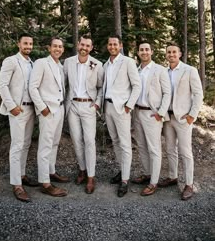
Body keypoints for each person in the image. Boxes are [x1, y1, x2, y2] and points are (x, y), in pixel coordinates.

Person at [159, 43, 203, 200]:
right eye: (168, 52)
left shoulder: (189, 70)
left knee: (185, 152)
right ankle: (173, 177)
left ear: (180, 54)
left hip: (183, 118)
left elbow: (198, 94)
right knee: (170, 149)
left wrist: (192, 115)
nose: (171, 54)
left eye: (174, 52)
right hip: (167, 117)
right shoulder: (163, 71)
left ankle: (189, 184)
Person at [0, 33, 38, 202]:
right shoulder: (11, 61)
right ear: (18, 44)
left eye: (30, 43)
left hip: (31, 109)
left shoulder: (33, 63)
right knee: (17, 145)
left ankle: (22, 175)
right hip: (18, 109)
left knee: (26, 144)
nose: (28, 46)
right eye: (25, 43)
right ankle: (16, 185)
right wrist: (11, 105)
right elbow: (2, 84)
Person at [63, 34, 104, 194]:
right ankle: (82, 169)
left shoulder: (97, 65)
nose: (84, 48)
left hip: (89, 106)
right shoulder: (68, 62)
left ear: (91, 48)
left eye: (88, 46)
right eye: (82, 44)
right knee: (76, 140)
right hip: (72, 105)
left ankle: (91, 177)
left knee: (89, 141)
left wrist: (97, 104)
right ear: (78, 44)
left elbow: (101, 87)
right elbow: (62, 82)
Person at [29, 37, 69, 197]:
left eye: (60, 47)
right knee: (45, 146)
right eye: (55, 46)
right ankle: (45, 182)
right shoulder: (41, 63)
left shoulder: (60, 66)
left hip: (59, 109)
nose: (57, 49)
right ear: (49, 48)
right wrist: (42, 108)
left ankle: (51, 172)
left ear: (63, 49)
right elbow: (33, 87)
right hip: (48, 110)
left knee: (54, 143)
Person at [103, 34, 141, 197]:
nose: (112, 47)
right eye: (110, 44)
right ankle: (121, 170)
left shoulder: (128, 62)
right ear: (108, 46)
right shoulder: (106, 65)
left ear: (120, 46)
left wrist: (129, 105)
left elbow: (136, 86)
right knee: (116, 141)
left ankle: (125, 180)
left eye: (115, 44)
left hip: (122, 109)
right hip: (108, 107)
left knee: (125, 143)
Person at [131, 42, 171, 196]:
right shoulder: (136, 70)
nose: (144, 52)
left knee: (154, 148)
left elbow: (167, 93)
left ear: (152, 52)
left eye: (147, 49)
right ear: (138, 52)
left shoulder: (159, 70)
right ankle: (147, 174)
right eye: (141, 50)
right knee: (141, 145)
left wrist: (160, 113)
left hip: (152, 114)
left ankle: (153, 182)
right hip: (138, 112)